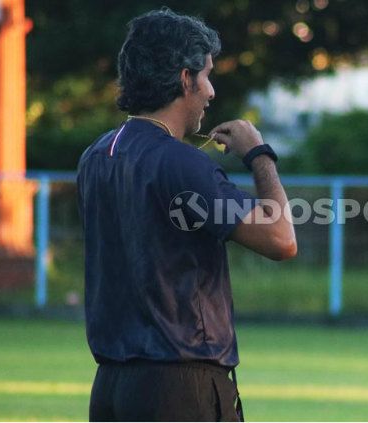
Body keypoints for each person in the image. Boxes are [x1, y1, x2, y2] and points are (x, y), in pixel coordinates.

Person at [77, 9, 296, 421]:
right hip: (178, 385)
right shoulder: (180, 162)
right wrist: (259, 154)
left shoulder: (96, 155)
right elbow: (281, 239)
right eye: (207, 75)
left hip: (110, 384)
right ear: (184, 78)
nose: (211, 91)